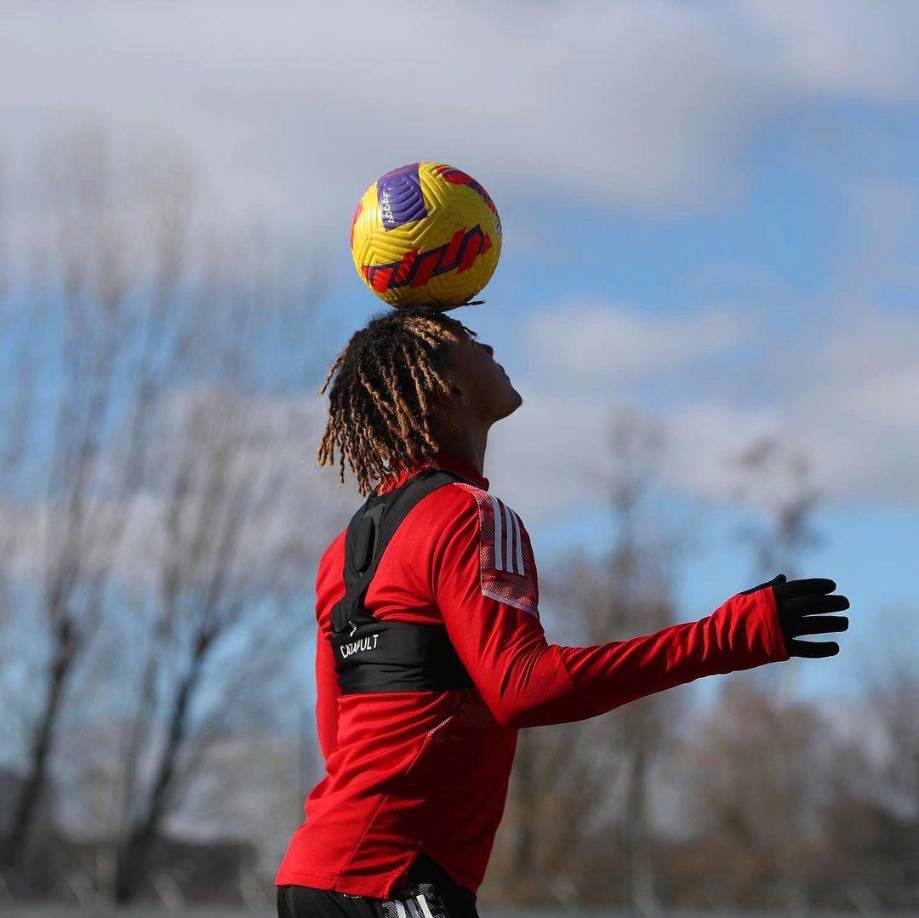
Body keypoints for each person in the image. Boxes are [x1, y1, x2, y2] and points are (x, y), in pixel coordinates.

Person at [275, 305, 850, 918]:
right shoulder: (470, 515)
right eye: (465, 338)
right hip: (396, 882)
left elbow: (340, 740)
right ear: (451, 388)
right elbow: (523, 688)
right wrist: (730, 637)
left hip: (310, 878)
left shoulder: (339, 554)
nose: (488, 343)